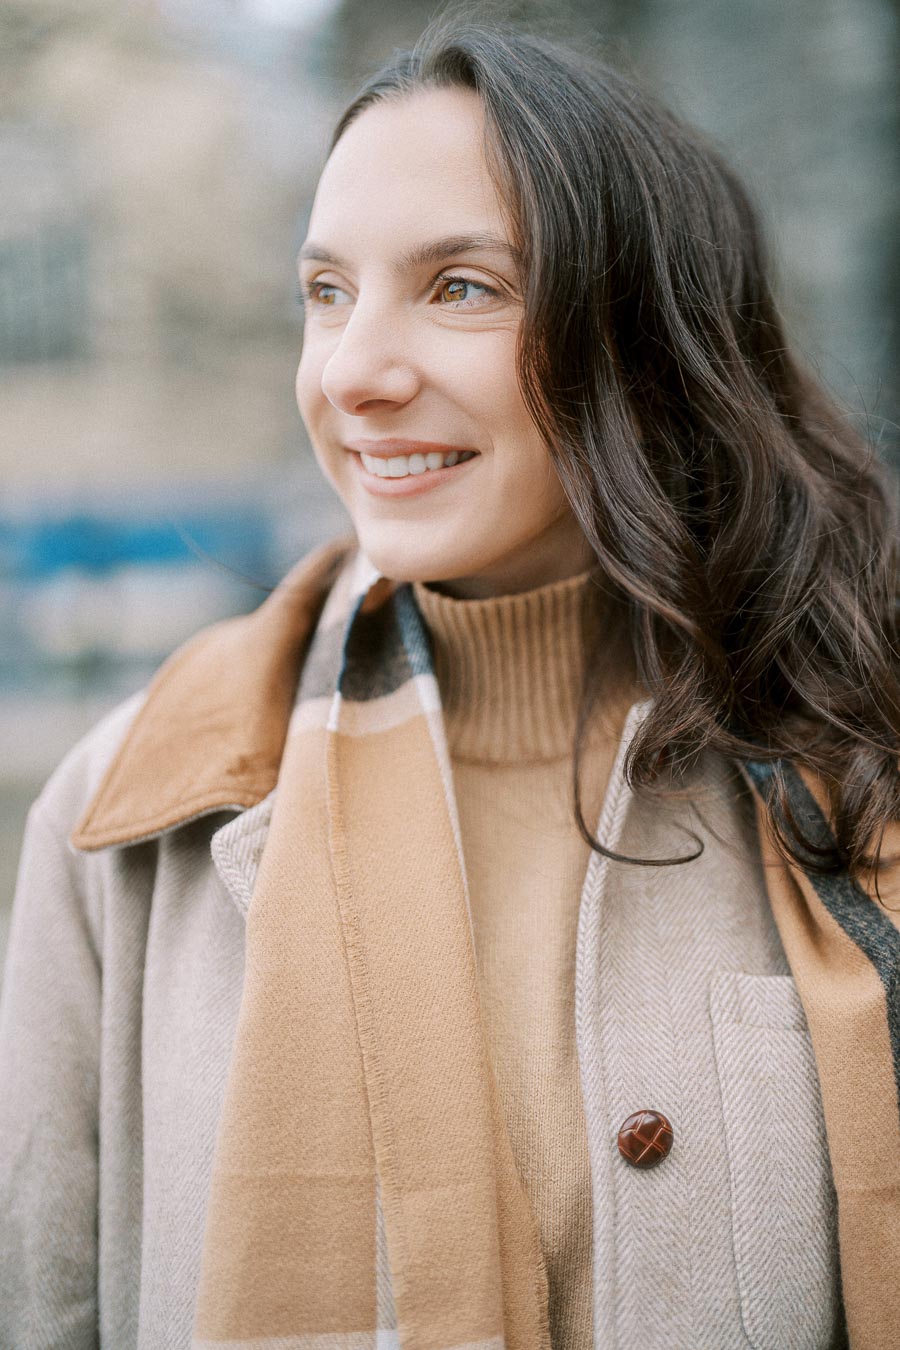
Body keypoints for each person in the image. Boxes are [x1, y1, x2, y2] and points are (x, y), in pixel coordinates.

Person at [1, 18, 898, 1350]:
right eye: (326, 292)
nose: (356, 370)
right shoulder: (131, 818)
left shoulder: (855, 759)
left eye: (462, 287)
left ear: (642, 338)